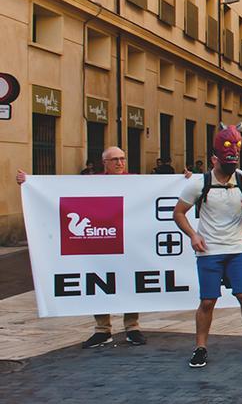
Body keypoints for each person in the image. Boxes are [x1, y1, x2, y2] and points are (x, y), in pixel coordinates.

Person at [16, 147, 146, 348]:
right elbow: (57, 188)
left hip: (128, 242)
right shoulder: (91, 182)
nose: (120, 163)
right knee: (99, 284)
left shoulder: (135, 181)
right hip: (99, 241)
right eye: (115, 160)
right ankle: (102, 330)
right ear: (105, 163)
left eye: (122, 159)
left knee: (128, 282)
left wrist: (186, 179)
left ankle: (132, 327)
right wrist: (29, 183)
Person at [173, 123, 242, 368]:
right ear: (214, 160)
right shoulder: (199, 183)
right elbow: (179, 213)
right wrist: (193, 235)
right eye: (226, 163)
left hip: (237, 249)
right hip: (209, 250)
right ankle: (200, 347)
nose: (231, 168)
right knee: (208, 301)